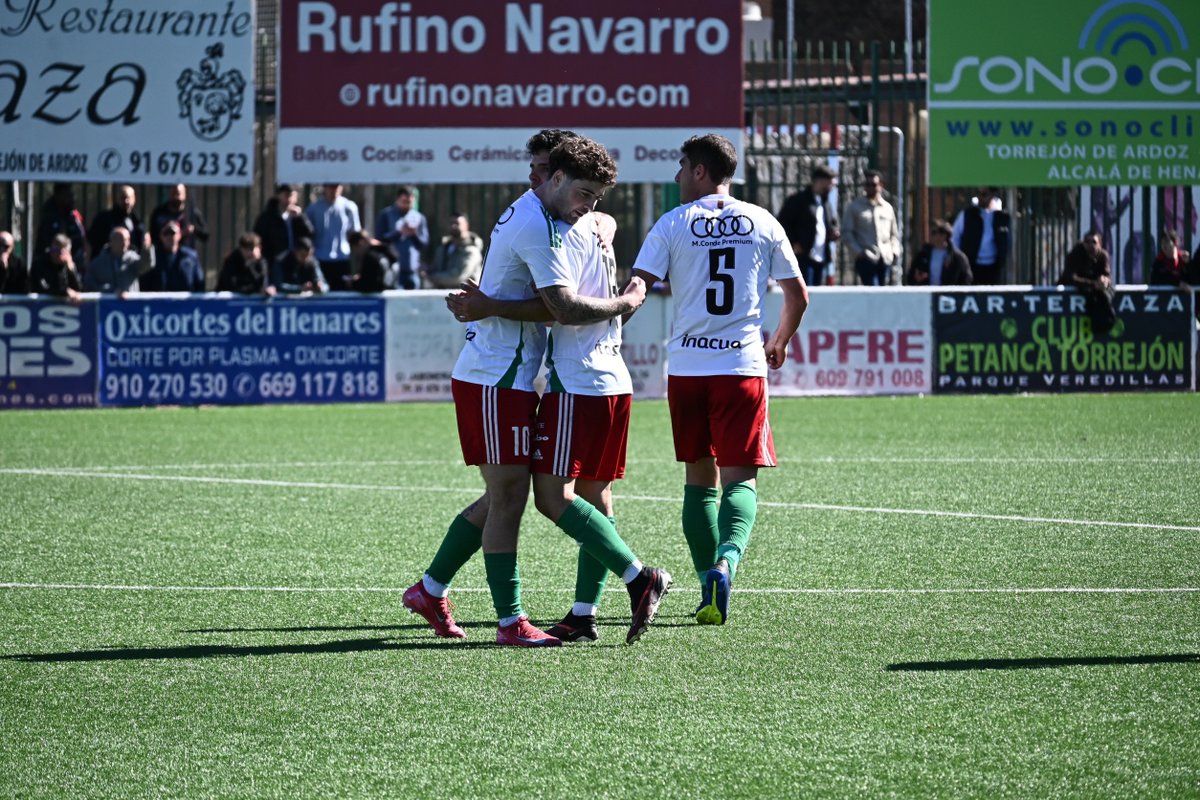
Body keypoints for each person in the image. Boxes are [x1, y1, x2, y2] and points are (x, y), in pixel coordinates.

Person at [402, 131, 670, 647]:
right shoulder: (534, 222)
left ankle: (431, 589)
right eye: (583, 196)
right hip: (494, 376)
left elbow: (593, 236)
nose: (589, 207)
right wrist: (626, 301)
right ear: (558, 179)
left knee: (513, 495)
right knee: (511, 498)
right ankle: (511, 623)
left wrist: (596, 218)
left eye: (596, 200)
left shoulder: (563, 217)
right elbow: (562, 308)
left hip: (520, 376)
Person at [630, 133, 809, 626]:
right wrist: (780, 340)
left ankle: (708, 584)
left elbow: (637, 288)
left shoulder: (671, 223)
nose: (677, 175)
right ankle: (726, 564)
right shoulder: (761, 220)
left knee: (697, 482)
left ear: (702, 172)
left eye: (683, 166)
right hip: (740, 370)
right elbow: (798, 295)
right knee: (740, 479)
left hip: (687, 370)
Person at [776, 164, 840, 286]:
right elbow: (783, 223)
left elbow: (830, 223)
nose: (832, 187)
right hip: (803, 256)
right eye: (830, 183)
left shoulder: (824, 201)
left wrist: (834, 231)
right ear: (820, 181)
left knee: (817, 293)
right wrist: (794, 243)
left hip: (820, 256)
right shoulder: (799, 200)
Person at [844, 170, 900, 286]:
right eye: (867, 185)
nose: (870, 188)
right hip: (867, 257)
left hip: (885, 257)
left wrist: (894, 251)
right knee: (872, 290)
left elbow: (894, 233)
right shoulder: (855, 207)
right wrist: (858, 252)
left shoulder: (887, 208)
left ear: (880, 186)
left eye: (873, 185)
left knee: (884, 293)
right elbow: (847, 232)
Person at [1058, 231, 1115, 335]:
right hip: (1071, 292)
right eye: (1087, 242)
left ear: (1100, 244)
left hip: (1093, 291)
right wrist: (1093, 284)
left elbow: (1106, 275)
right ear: (1083, 244)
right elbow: (1070, 277)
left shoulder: (1103, 256)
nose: (1090, 245)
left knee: (1105, 297)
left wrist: (1104, 281)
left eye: (1093, 242)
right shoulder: (1075, 254)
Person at [306, 184, 361, 293]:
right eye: (330, 187)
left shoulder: (349, 207)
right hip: (321, 259)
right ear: (325, 188)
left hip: (342, 259)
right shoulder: (313, 209)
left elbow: (355, 235)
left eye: (336, 186)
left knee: (342, 293)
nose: (333, 190)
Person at [953, 187, 1010, 284]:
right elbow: (955, 236)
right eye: (978, 193)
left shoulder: (1001, 217)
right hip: (971, 264)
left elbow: (1007, 241)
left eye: (984, 194)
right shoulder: (967, 215)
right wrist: (959, 257)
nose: (979, 197)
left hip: (993, 266)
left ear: (992, 195)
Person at [374, 186, 427, 290]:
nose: (407, 206)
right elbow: (379, 239)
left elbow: (424, 243)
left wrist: (414, 234)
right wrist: (399, 233)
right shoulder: (386, 214)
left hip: (412, 269)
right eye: (404, 202)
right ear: (397, 199)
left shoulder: (419, 217)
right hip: (393, 269)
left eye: (410, 202)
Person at [253, 183, 315, 265]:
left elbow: (310, 233)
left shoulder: (298, 215)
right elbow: (258, 237)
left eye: (292, 196)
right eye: (286, 195)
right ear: (279, 196)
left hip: (296, 259)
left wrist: (300, 218)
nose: (289, 199)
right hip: (276, 260)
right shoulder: (268, 216)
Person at [84, 228, 152, 298]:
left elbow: (146, 265)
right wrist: (111, 290)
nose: (125, 243)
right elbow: (89, 285)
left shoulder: (133, 259)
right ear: (111, 241)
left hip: (130, 306)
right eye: (121, 239)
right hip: (106, 306)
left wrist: (147, 249)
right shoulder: (97, 264)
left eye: (127, 239)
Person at [34, 183, 88, 270]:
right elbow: (44, 241)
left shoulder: (74, 216)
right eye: (66, 195)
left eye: (71, 195)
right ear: (58, 196)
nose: (70, 198)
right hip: (51, 263)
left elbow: (81, 238)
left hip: (72, 261)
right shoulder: (48, 216)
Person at [87, 185, 150, 259]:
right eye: (122, 198)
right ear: (117, 199)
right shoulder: (104, 219)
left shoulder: (137, 222)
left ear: (134, 199)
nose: (126, 201)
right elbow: (91, 243)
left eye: (128, 198)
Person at [422, 213, 483, 289]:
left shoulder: (472, 251)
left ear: (466, 226)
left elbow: (458, 277)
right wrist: (427, 270)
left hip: (465, 296)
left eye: (457, 223)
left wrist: (431, 276)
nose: (453, 226)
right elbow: (436, 267)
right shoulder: (443, 249)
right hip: (441, 295)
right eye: (451, 223)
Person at [907, 220, 973, 286]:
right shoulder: (923, 255)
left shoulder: (957, 257)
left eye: (933, 233)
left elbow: (966, 279)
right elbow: (910, 277)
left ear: (944, 235)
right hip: (927, 294)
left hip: (949, 295)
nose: (930, 236)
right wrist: (916, 279)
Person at [147, 222, 205, 292]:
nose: (169, 236)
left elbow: (199, 284)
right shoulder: (153, 257)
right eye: (166, 233)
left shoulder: (190, 257)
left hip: (186, 302)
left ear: (179, 235)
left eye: (172, 233)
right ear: (161, 236)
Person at [149, 184, 209, 252]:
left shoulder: (192, 213)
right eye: (174, 193)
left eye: (178, 193)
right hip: (163, 254)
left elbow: (205, 234)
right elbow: (152, 235)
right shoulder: (159, 213)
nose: (176, 197)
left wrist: (193, 229)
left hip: (186, 255)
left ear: (184, 194)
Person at [29, 234, 82, 303]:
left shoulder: (68, 265)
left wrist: (71, 271)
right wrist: (65, 292)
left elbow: (79, 289)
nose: (56, 254)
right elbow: (42, 288)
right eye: (54, 250)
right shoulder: (39, 264)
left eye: (61, 252)